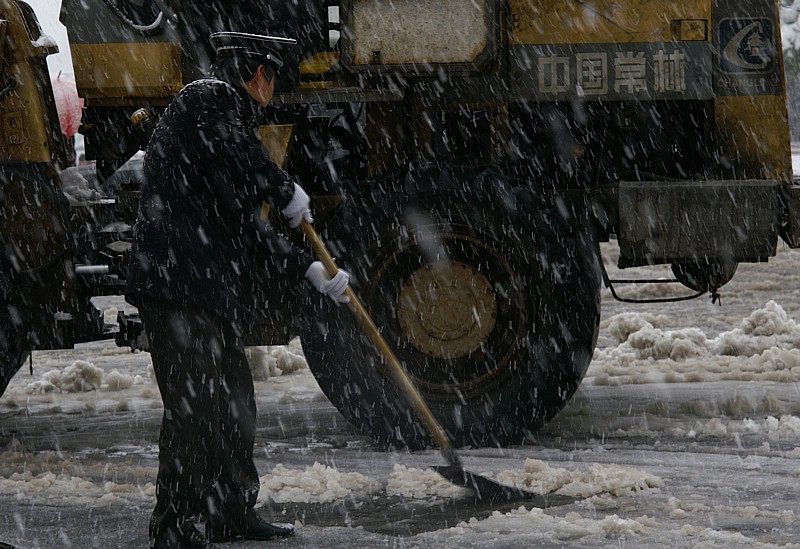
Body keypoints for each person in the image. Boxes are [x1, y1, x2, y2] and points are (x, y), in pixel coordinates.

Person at [125, 32, 350, 549]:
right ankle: (172, 525)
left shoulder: (229, 126)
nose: (273, 89)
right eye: (272, 76)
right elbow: (242, 156)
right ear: (256, 73)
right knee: (193, 407)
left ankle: (228, 510)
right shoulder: (207, 100)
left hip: (206, 288)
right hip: (176, 282)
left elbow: (248, 229)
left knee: (233, 401)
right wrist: (283, 188)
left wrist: (308, 269)